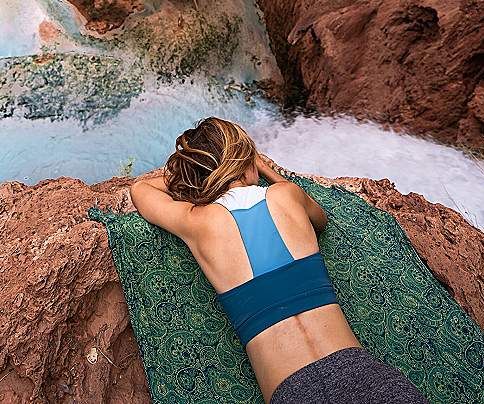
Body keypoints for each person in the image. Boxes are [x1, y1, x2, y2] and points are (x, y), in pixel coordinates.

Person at [130, 117, 428, 404]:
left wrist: (197, 173)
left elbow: (140, 190)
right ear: (246, 160)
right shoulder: (286, 195)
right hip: (362, 374)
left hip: (294, 392)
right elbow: (319, 219)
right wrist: (267, 171)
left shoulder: (198, 223)